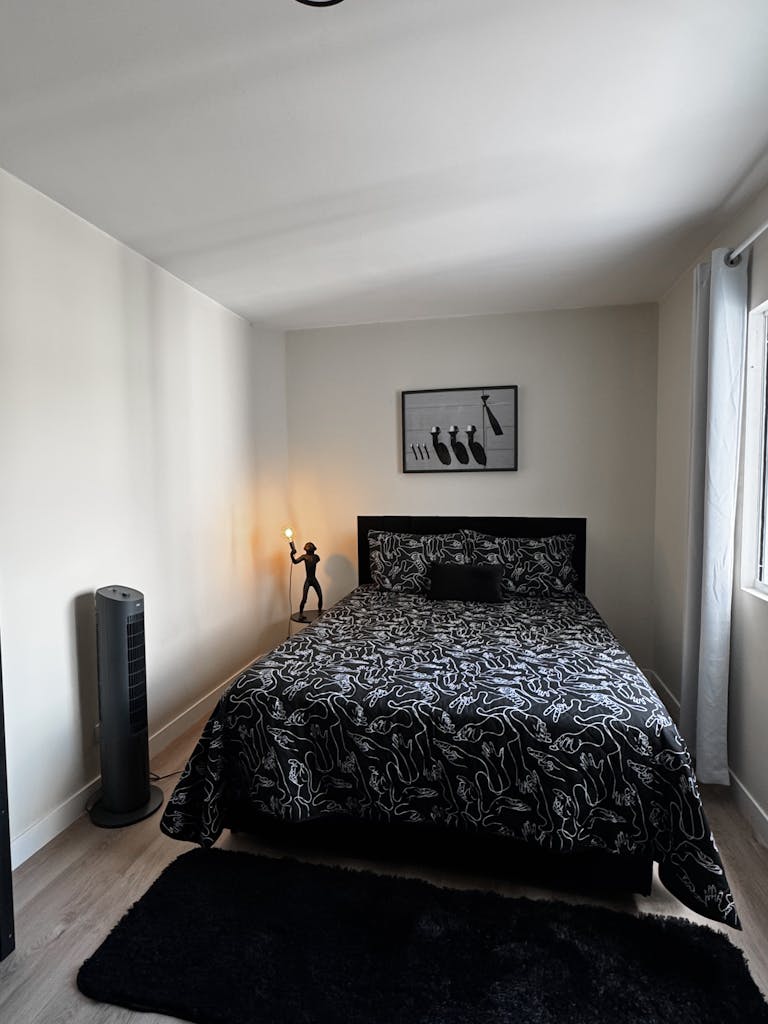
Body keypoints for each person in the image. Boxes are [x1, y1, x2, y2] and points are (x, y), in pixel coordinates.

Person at [290, 540, 323, 620]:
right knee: (304, 599)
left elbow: (295, 562)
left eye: (310, 548)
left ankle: (319, 612)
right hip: (308, 580)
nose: (309, 549)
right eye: (308, 548)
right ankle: (301, 614)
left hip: (313, 579)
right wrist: (291, 554)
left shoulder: (316, 557)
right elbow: (295, 562)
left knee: (320, 596)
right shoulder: (304, 557)